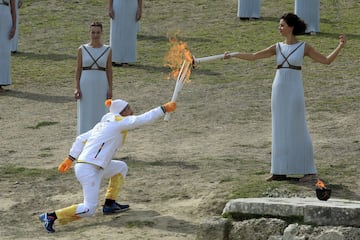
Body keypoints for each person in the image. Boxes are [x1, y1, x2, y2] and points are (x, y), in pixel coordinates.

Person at [224, 13, 346, 182]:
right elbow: (253, 56)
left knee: (298, 128)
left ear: (291, 27)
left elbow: (326, 61)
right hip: (278, 91)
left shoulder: (304, 47)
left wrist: (340, 46)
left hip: (295, 91)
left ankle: (308, 170)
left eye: (282, 25)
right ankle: (279, 170)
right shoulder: (277, 47)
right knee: (279, 129)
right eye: (279, 25)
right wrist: (234, 54)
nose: (279, 28)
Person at [39, 99, 177, 233]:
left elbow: (81, 139)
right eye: (129, 109)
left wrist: (70, 158)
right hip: (88, 168)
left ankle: (110, 204)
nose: (132, 111)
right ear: (121, 111)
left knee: (121, 167)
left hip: (95, 166)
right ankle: (51, 216)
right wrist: (163, 109)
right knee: (89, 209)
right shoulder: (117, 122)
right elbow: (141, 119)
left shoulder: (104, 124)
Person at [75, 22, 113, 135]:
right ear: (89, 33)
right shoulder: (82, 49)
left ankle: (100, 136)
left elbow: (109, 70)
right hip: (85, 83)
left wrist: (110, 89)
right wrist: (77, 87)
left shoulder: (107, 50)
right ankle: (84, 137)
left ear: (101, 33)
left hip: (101, 83)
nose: (95, 35)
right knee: (85, 111)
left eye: (98, 32)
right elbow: (78, 69)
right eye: (93, 32)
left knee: (100, 110)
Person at [108, 0, 142, 66]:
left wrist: (140, 9)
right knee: (116, 32)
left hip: (132, 6)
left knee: (129, 32)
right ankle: (114, 58)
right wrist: (110, 7)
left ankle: (127, 59)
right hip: (117, 5)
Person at [0, 0, 16, 93]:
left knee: (4, 51)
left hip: (6, 16)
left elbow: (13, 9)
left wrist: (14, 27)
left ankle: (2, 81)